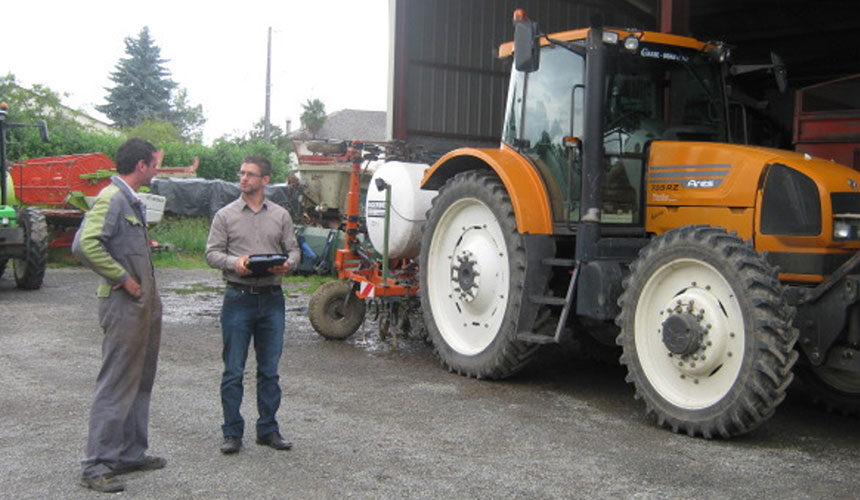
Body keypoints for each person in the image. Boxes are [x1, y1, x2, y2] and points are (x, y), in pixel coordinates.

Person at [72, 138, 165, 493]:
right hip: (124, 305)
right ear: (141, 165)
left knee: (140, 378)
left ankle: (128, 453)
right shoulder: (112, 198)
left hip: (142, 307)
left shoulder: (130, 199)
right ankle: (96, 464)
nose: (157, 170)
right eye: (155, 164)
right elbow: (85, 244)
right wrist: (124, 279)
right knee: (116, 382)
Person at [205, 155, 300, 455]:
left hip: (272, 300)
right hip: (238, 299)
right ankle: (232, 432)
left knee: (269, 371)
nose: (243, 178)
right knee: (233, 370)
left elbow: (294, 250)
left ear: (265, 180)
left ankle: (268, 430)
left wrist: (288, 265)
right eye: (241, 173)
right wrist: (237, 262)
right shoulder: (225, 215)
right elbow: (211, 254)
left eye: (250, 174)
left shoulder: (281, 216)